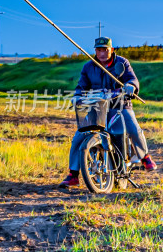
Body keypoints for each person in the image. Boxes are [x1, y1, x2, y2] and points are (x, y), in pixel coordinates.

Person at [61, 36, 156, 187]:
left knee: (132, 127)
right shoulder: (88, 67)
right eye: (99, 50)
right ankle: (73, 175)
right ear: (95, 51)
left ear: (111, 50)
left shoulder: (122, 63)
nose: (102, 53)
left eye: (105, 49)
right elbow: (81, 86)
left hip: (120, 105)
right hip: (97, 107)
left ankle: (144, 156)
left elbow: (133, 79)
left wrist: (131, 85)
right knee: (79, 136)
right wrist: (77, 96)